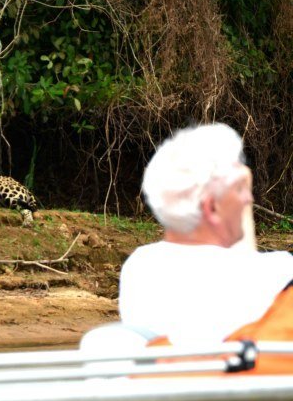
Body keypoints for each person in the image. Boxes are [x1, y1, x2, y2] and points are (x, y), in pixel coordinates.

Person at [118, 123, 293, 345]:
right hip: (240, 367)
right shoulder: (277, 272)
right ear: (212, 208)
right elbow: (244, 264)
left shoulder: (139, 266)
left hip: (168, 366)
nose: (248, 199)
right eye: (241, 190)